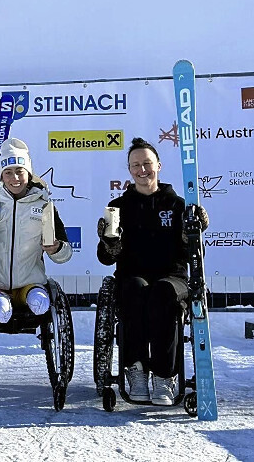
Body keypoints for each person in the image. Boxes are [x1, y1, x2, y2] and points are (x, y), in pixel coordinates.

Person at [96, 137, 208, 406]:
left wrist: (193, 231)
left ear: (158, 165)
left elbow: (192, 253)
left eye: (147, 163)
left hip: (173, 278)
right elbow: (104, 259)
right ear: (129, 170)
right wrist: (109, 241)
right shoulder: (119, 206)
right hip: (133, 277)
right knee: (135, 289)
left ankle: (163, 376)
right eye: (136, 165)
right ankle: (136, 371)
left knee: (162, 292)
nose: (142, 169)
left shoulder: (178, 205)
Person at [0, 137, 72, 324]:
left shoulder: (44, 206)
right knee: (2, 313)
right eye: (8, 172)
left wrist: (57, 249)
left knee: (41, 304)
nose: (15, 178)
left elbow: (65, 254)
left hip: (31, 285)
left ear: (29, 173)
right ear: (1, 176)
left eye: (20, 171)